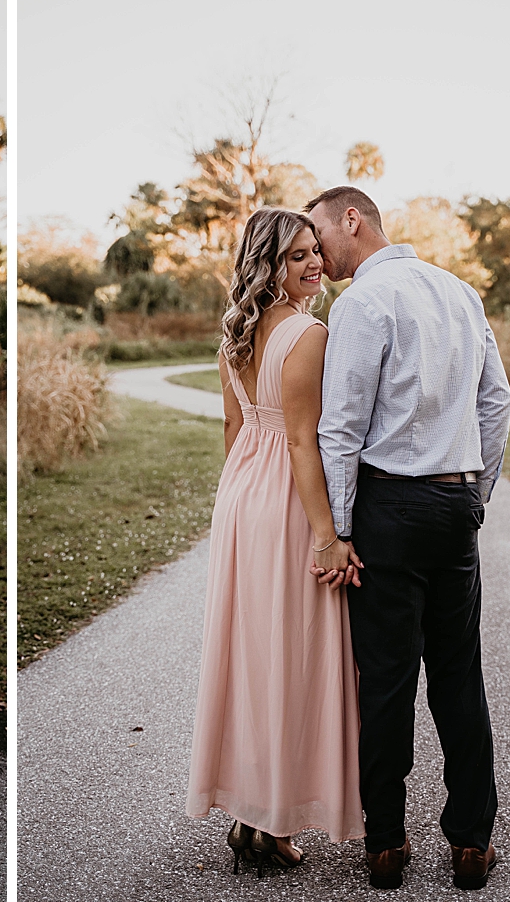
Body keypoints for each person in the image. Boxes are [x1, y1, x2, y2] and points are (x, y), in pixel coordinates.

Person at [306, 186, 510, 891]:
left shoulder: (361, 302)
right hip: (454, 503)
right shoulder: (460, 292)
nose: (317, 252)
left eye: (319, 233)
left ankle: (387, 845)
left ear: (352, 220)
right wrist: (476, 493)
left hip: (388, 508)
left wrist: (339, 529)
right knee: (458, 673)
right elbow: (496, 401)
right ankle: (472, 841)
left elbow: (340, 428)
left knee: (387, 680)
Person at [187, 207, 366, 876]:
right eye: (298, 255)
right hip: (290, 502)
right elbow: (301, 442)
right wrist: (327, 536)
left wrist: (239, 502)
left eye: (316, 250)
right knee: (293, 658)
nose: (315, 263)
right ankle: (273, 818)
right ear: (269, 265)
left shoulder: (235, 333)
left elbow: (234, 431)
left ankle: (250, 812)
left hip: (241, 499)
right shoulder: (308, 335)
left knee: (253, 655)